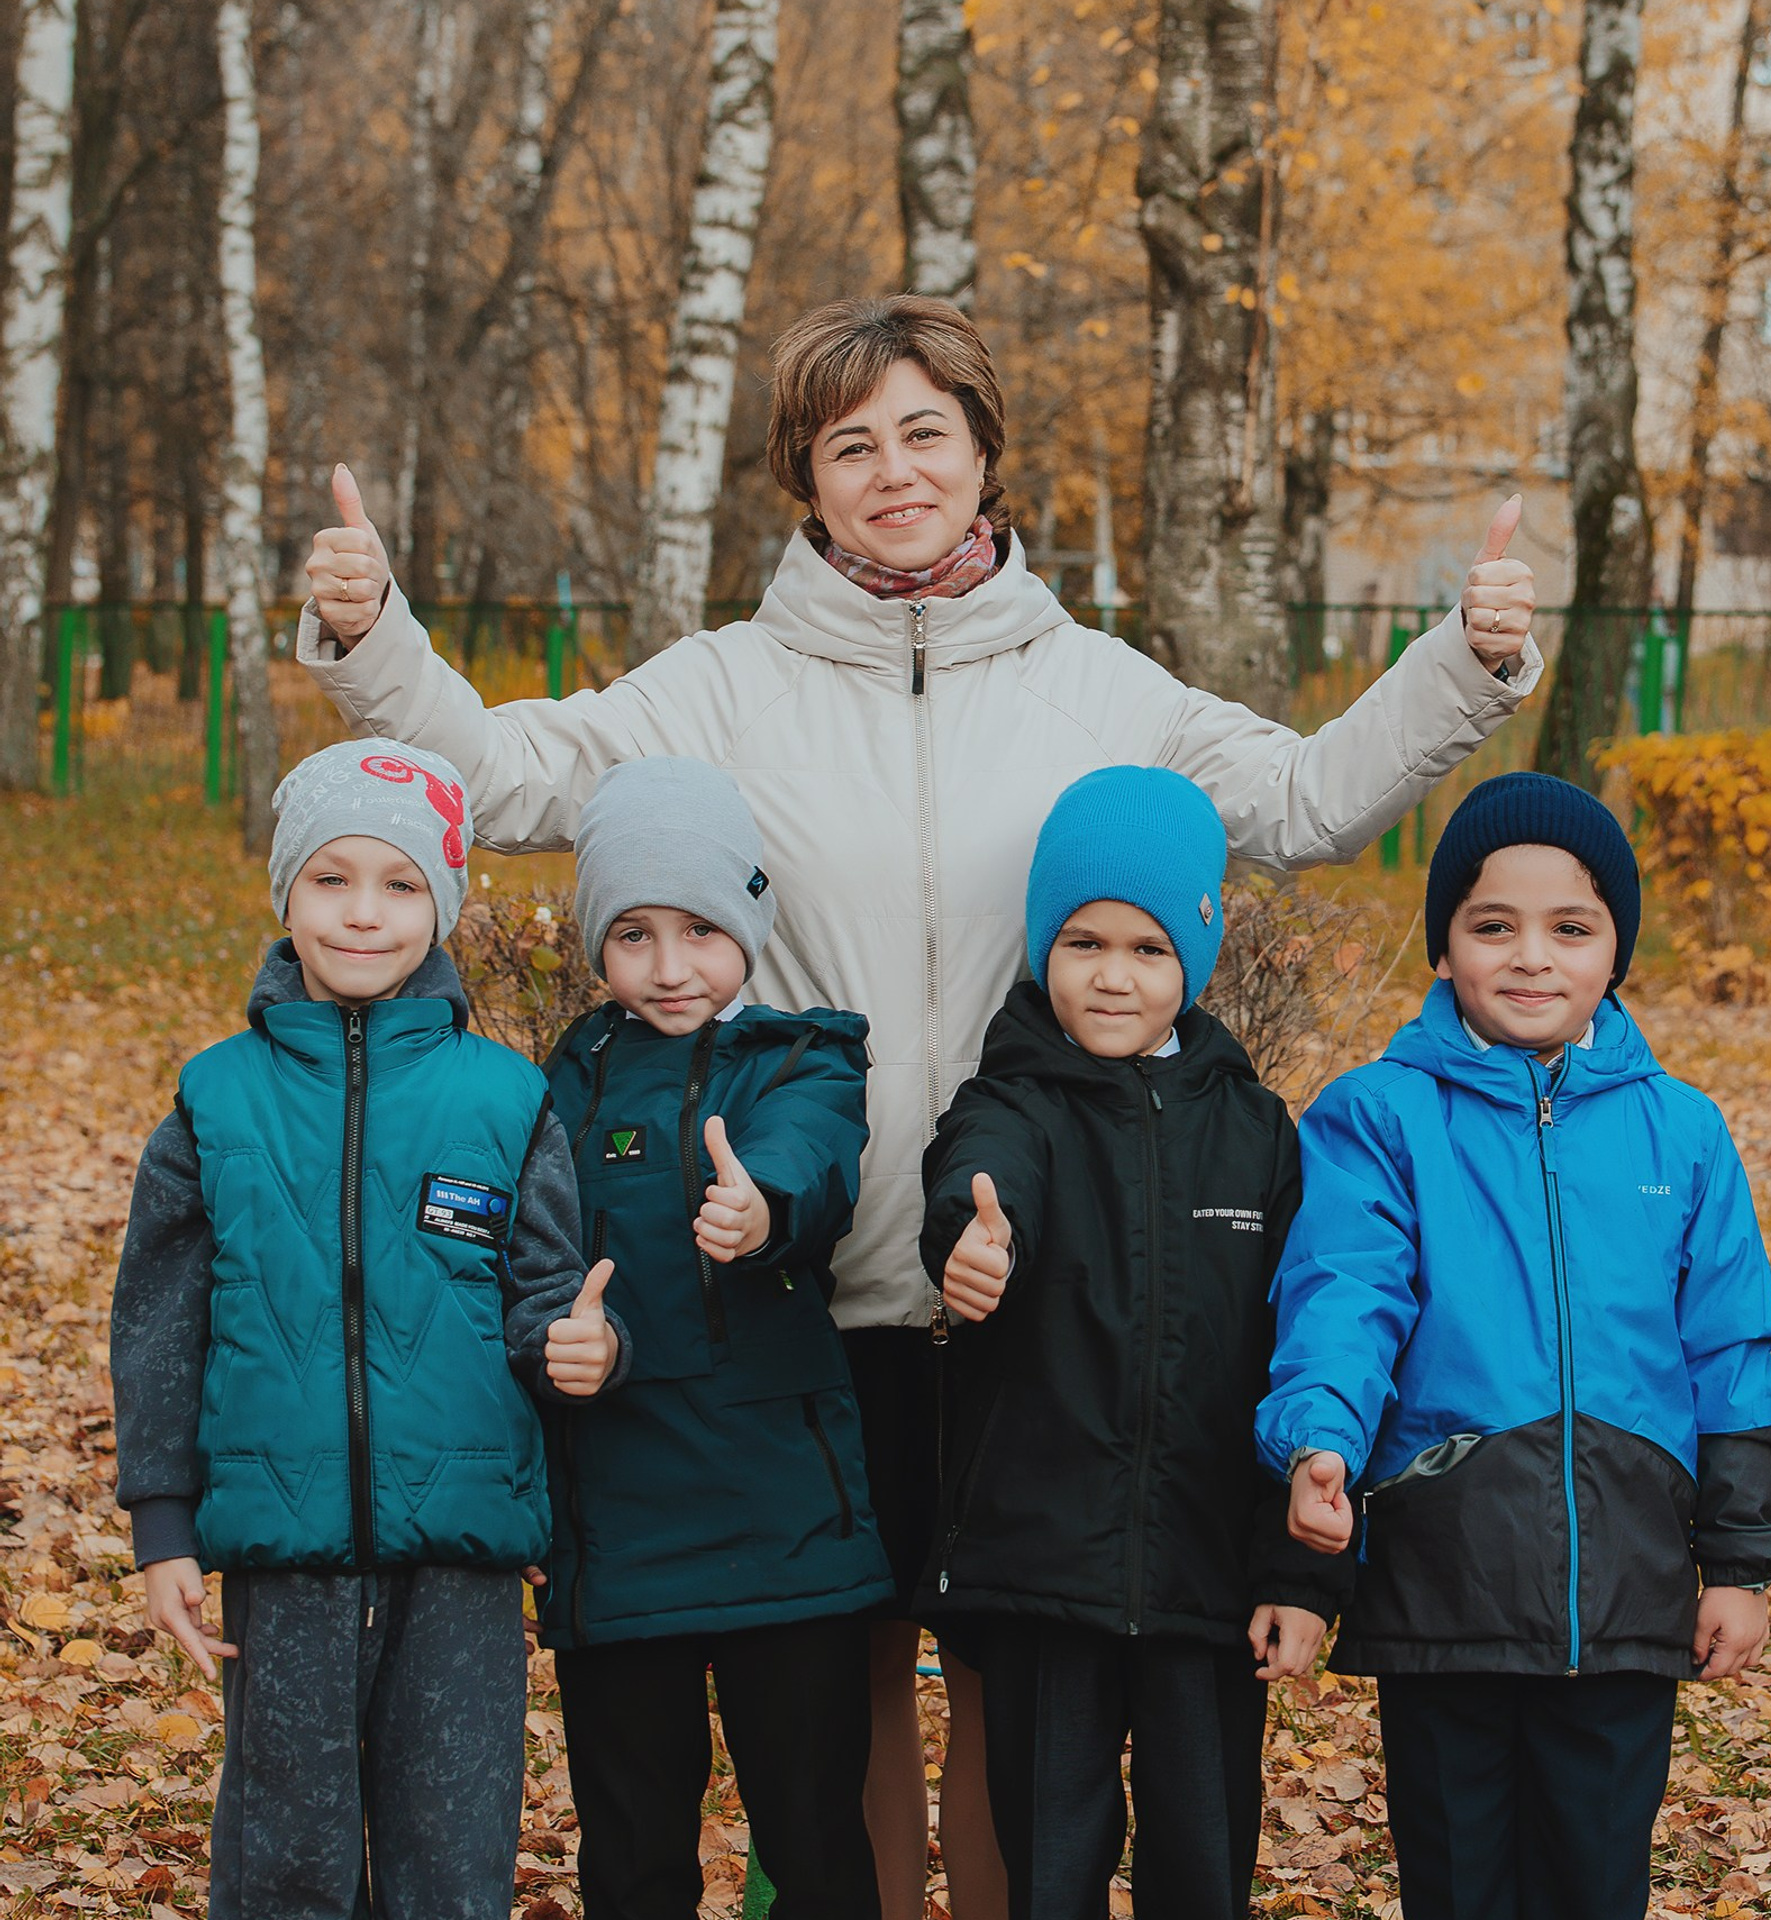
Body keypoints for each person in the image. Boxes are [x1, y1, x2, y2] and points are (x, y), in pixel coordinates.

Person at [298, 294, 1541, 1917]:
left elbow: (1303, 800)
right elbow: (518, 772)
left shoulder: (1101, 689)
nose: (894, 472)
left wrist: (1472, 661)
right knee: (849, 1673)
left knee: (1014, 1667)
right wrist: (375, 632)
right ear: (805, 483)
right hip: (815, 1274)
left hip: (1046, 1276)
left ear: (985, 452)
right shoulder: (727, 686)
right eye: (850, 445)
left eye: (924, 434)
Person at [1257, 772, 1771, 1920]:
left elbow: (1730, 1349)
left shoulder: (1684, 1129)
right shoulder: (1380, 1115)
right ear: (1445, 946)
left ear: (1616, 950)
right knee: (1460, 1882)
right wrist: (1319, 1440)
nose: (1531, 957)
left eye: (1571, 928)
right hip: (1444, 1582)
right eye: (1492, 925)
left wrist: (1743, 1562)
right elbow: (1344, 1296)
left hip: (1627, 1595)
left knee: (1596, 1879)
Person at [109, 740, 625, 1920]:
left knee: (451, 1857)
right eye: (331, 879)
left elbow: (544, 1296)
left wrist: (581, 1349)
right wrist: (162, 1526)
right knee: (285, 1858)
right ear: (285, 892)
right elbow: (156, 1327)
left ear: (440, 908)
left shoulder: (506, 1099)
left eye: (399, 885)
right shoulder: (213, 1099)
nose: (362, 914)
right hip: (281, 1555)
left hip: (466, 1557)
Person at [917, 767, 1339, 1920]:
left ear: (1195, 959)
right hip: (1047, 1577)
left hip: (1210, 1580)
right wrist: (971, 1244)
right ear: (1043, 947)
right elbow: (975, 1184)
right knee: (1051, 1866)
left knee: (1204, 1869)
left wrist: (1300, 1572)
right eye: (1084, 941)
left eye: (1150, 949)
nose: (1113, 976)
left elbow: (1306, 1348)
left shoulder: (1257, 1133)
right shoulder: (1012, 1101)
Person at [537, 756, 893, 1918]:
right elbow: (529, 1253)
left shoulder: (805, 1057)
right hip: (619, 1518)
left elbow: (811, 1157)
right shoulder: (562, 1083)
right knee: (635, 1847)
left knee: (813, 1837)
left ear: (748, 918)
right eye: (633, 934)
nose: (671, 965)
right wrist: (557, 1342)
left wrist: (760, 1209)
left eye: (699, 926)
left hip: (784, 1519)